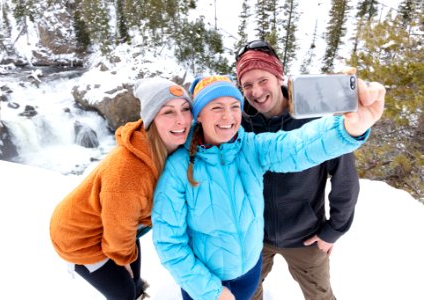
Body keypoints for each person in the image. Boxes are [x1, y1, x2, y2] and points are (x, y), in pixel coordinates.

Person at [151, 74, 385, 300]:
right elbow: (170, 243)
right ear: (198, 115)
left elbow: (297, 146)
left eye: (234, 106)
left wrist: (347, 129)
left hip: (249, 275)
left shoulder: (251, 148)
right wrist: (212, 292)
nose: (228, 116)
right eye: (216, 108)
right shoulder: (178, 169)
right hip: (204, 287)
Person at [235, 40, 361, 300]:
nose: (256, 91)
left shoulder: (314, 118)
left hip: (306, 237)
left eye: (262, 80)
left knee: (320, 296)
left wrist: (333, 230)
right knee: (246, 294)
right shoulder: (238, 124)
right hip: (254, 238)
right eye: (247, 85)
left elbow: (345, 178)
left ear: (279, 75)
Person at [49, 77, 193, 300]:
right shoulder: (129, 173)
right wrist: (122, 261)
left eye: (186, 109)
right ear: (150, 119)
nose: (182, 120)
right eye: (168, 112)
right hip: (79, 237)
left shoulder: (167, 144)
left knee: (132, 278)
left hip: (119, 223)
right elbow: (118, 232)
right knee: (124, 292)